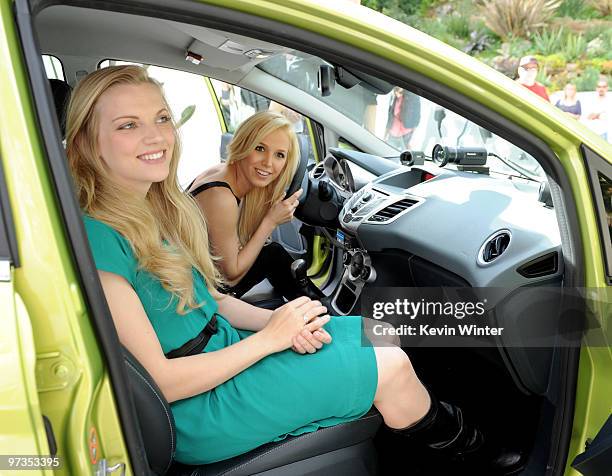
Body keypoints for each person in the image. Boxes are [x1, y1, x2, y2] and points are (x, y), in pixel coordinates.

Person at [66, 65, 505, 469]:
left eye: (162, 118)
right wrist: (269, 340)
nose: (156, 136)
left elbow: (216, 299)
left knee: (376, 329)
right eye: (128, 126)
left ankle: (445, 428)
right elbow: (162, 382)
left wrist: (282, 322)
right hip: (199, 405)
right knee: (388, 364)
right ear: (86, 142)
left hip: (225, 352)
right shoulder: (100, 235)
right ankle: (476, 454)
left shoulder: (154, 208)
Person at [188, 111, 319, 300]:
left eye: (279, 155)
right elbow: (230, 277)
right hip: (198, 293)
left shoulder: (220, 171)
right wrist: (270, 221)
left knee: (273, 254)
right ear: (243, 144)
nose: (268, 163)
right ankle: (323, 315)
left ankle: (320, 311)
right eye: (259, 148)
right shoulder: (221, 196)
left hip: (198, 279)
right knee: (273, 255)